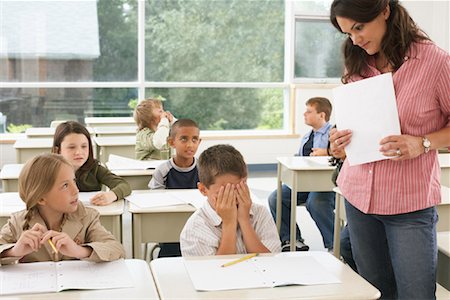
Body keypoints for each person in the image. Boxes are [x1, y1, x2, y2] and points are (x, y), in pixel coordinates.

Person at [330, 0, 450, 298]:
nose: (355, 39)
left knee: (416, 294)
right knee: (376, 292)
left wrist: (421, 143)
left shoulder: (435, 62)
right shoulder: (356, 60)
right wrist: (337, 140)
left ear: (384, 10)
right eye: (348, 33)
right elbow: (346, 121)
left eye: (359, 27)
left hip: (409, 206)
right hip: (358, 200)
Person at [0, 153, 125, 264]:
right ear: (41, 199)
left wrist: (79, 250)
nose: (76, 190)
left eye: (74, 181)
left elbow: (117, 249)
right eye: (65, 185)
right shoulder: (17, 222)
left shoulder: (87, 216)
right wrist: (14, 251)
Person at [180, 144, 281, 256]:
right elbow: (216, 272)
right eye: (224, 193)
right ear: (203, 190)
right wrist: (229, 224)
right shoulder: (194, 229)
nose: (233, 199)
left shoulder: (260, 213)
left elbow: (271, 262)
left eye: (239, 189)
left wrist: (245, 220)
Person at [268, 97, 335, 252]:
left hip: (325, 184)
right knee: (276, 198)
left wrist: (327, 152)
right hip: (304, 182)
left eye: (309, 111)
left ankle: (334, 244)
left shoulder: (333, 134)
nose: (304, 114)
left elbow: (342, 156)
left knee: (316, 203)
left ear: (322, 115)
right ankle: (291, 239)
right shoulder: (306, 137)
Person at [149, 118, 201, 257]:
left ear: (199, 142)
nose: (190, 145)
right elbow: (155, 197)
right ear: (171, 142)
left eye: (194, 140)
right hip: (169, 226)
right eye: (184, 139)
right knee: (169, 254)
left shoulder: (203, 168)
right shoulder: (163, 170)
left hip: (198, 224)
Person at [52, 121, 131, 206]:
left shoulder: (95, 168)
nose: (79, 152)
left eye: (84, 146)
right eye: (71, 147)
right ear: (58, 150)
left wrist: (111, 195)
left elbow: (124, 185)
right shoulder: (48, 170)